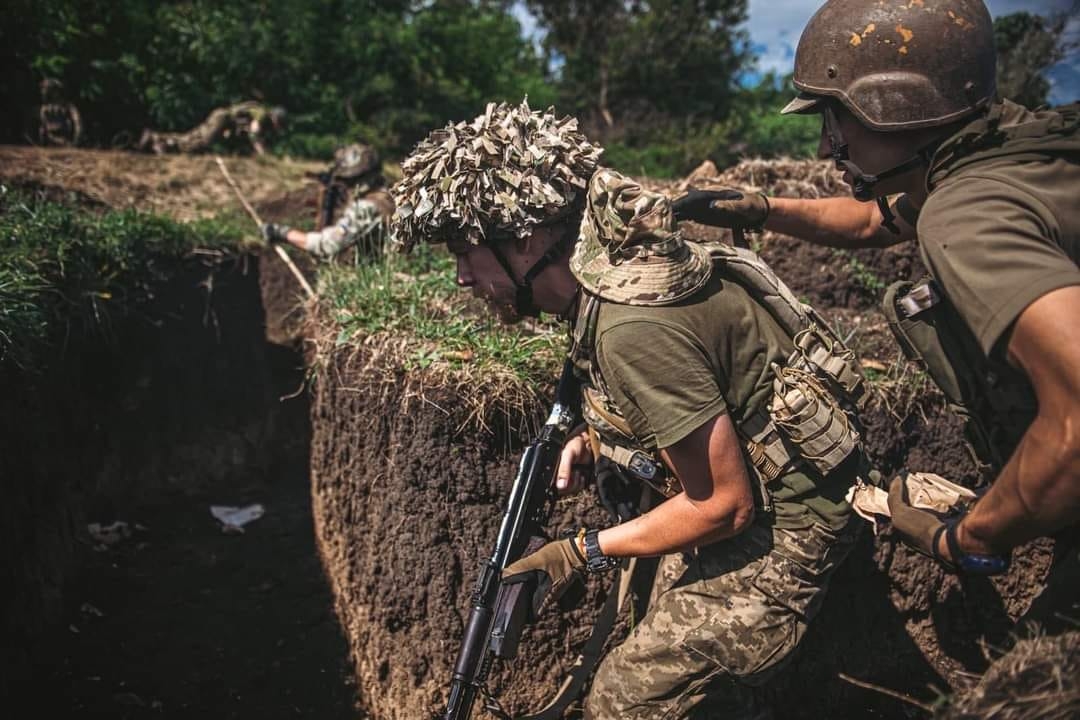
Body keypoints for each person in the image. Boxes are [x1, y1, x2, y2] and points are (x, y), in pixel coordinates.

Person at [392, 100, 873, 719]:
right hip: (752, 496)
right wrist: (596, 438)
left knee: (622, 701)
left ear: (527, 239)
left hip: (790, 527)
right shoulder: (612, 272)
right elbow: (696, 392)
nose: (461, 277)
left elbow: (723, 505)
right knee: (651, 623)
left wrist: (582, 550)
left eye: (466, 252)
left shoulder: (630, 328)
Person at [671, 0, 1080, 617]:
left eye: (835, 119)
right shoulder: (1014, 149)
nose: (825, 145)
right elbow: (872, 222)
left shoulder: (968, 213)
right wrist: (763, 209)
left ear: (892, 105)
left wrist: (966, 538)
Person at [261, 143, 393, 259]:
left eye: (349, 181)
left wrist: (283, 233)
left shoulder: (367, 206)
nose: (347, 186)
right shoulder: (388, 195)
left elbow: (327, 244)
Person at [137, 101, 286, 155]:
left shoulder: (258, 110)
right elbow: (254, 132)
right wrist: (263, 154)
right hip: (223, 118)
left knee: (195, 136)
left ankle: (160, 140)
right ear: (274, 117)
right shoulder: (262, 114)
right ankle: (159, 140)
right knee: (202, 141)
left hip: (223, 118)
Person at [38, 78, 82, 147]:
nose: (43, 92)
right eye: (44, 89)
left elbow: (77, 124)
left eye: (47, 89)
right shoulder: (45, 108)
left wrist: (75, 142)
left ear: (56, 91)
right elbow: (43, 125)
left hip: (65, 140)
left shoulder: (68, 107)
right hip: (49, 139)